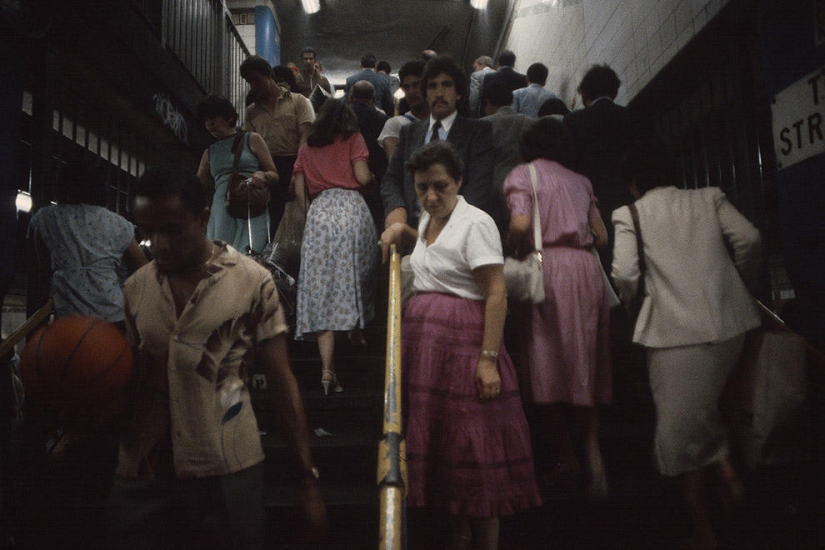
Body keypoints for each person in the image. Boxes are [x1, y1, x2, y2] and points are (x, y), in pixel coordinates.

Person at [108, 165, 327, 549]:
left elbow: (280, 379)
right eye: (146, 231)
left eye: (172, 229)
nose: (158, 244)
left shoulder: (252, 281)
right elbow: (131, 374)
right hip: (143, 470)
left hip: (227, 470)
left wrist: (306, 477)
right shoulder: (135, 289)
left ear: (203, 218)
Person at [381, 141, 541, 550]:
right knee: (447, 451)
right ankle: (459, 536)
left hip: (465, 346)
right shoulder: (432, 219)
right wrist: (407, 230)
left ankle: (484, 542)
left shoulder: (477, 222)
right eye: (421, 188)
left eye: (440, 186)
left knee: (474, 452)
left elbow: (497, 293)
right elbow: (439, 254)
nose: (431, 196)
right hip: (427, 354)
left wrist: (488, 360)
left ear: (460, 182)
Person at [611, 149, 761, 550]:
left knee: (677, 440)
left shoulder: (630, 213)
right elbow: (749, 239)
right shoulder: (709, 197)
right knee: (702, 410)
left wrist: (631, 306)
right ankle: (726, 468)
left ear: (633, 183)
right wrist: (739, 287)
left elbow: (624, 273)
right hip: (733, 329)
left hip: (675, 336)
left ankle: (703, 532)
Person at [503, 117, 612, 501]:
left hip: (546, 269)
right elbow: (601, 236)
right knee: (584, 362)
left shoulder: (523, 175)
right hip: (586, 271)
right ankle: (595, 455)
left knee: (547, 362)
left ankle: (566, 457)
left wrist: (512, 250)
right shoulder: (581, 180)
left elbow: (519, 225)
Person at [292, 99, 378, 395]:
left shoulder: (305, 148)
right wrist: (374, 184)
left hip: (320, 214)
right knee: (358, 269)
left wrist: (314, 213)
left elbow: (299, 194)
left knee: (322, 286)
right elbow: (363, 176)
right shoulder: (354, 138)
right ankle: (357, 329)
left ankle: (327, 369)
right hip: (351, 209)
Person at [380, 56, 501, 232]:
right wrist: (396, 207)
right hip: (410, 229)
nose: (439, 93)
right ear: (425, 93)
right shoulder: (410, 133)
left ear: (459, 92)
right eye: (432, 86)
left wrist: (445, 229)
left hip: (457, 232)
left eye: (446, 85)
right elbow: (390, 178)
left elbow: (478, 188)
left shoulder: (477, 132)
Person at [28, 161, 147, 325]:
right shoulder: (117, 223)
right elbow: (142, 267)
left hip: (68, 315)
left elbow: (44, 266)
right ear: (100, 188)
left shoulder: (47, 219)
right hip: (113, 315)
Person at [196, 94, 279, 254]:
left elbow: (274, 174)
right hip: (222, 208)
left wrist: (263, 175)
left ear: (228, 117)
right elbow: (197, 187)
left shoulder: (252, 139)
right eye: (206, 120)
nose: (209, 124)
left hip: (251, 203)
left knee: (251, 253)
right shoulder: (209, 152)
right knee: (222, 256)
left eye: (213, 117)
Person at [241, 55, 314, 230]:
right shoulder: (251, 111)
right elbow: (249, 144)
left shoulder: (298, 101)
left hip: (294, 161)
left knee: (298, 221)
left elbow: (305, 137)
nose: (253, 85)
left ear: (269, 76)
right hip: (266, 167)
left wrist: (297, 171)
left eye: (256, 80)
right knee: (271, 223)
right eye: (249, 81)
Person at [481, 79, 536, 233]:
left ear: (487, 101)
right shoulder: (531, 124)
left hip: (491, 196)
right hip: (526, 193)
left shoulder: (481, 126)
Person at [349, 80, 389, 227]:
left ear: (351, 98)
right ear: (373, 100)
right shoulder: (383, 119)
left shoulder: (342, 119)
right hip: (375, 181)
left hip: (349, 184)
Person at [377, 60, 429, 162]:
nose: (411, 92)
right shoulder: (396, 124)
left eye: (416, 85)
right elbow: (395, 165)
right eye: (406, 87)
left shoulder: (444, 121)